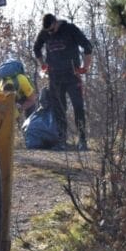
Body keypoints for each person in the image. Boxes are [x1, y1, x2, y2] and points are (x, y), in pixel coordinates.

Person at [33, 14, 94, 150]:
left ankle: (82, 140)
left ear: (56, 22)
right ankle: (61, 141)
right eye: (47, 31)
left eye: (51, 30)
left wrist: (85, 66)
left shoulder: (70, 29)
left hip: (72, 75)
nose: (50, 33)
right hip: (55, 77)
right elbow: (36, 48)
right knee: (59, 109)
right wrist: (43, 65)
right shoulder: (45, 32)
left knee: (78, 107)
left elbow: (87, 46)